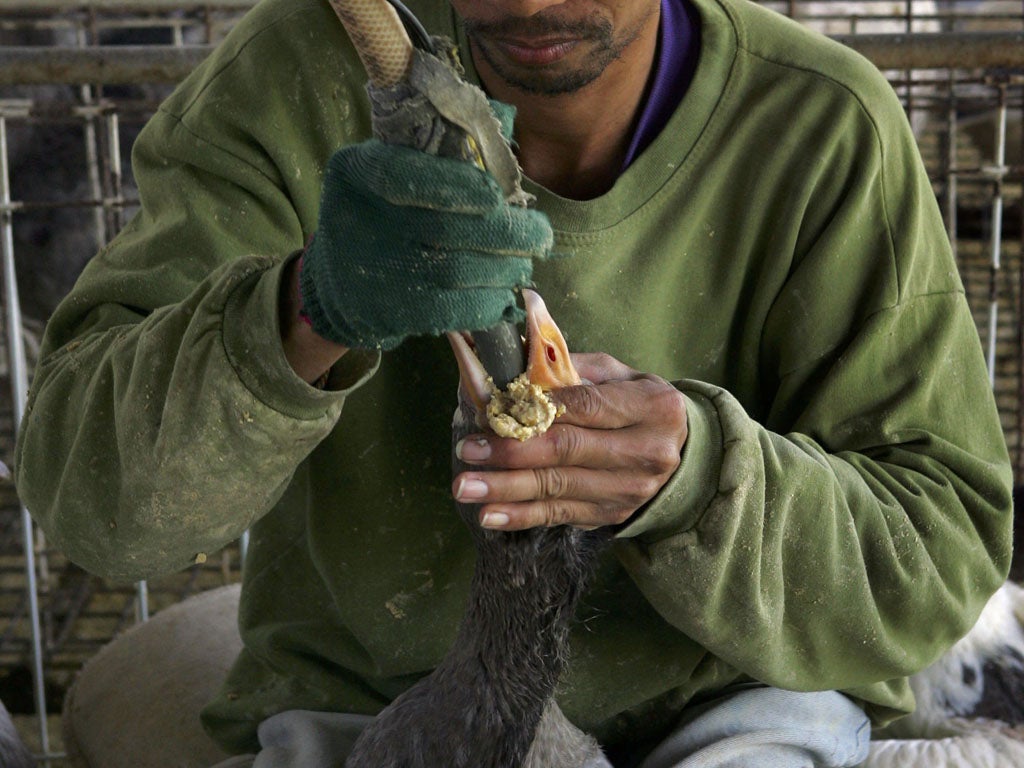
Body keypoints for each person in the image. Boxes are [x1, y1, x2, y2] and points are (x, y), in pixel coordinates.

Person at [13, 0, 1013, 765]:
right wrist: (302, 311)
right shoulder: (288, 80)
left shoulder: (824, 122)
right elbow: (99, 517)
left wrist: (701, 481)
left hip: (738, 706)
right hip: (366, 705)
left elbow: (935, 559)